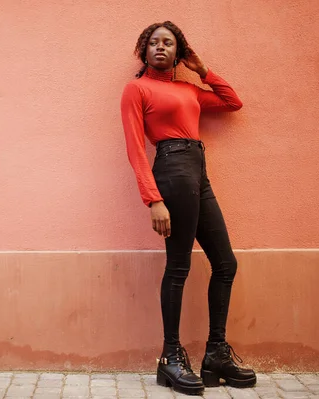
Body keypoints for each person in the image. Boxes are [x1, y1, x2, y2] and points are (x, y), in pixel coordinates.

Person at [120, 21, 257, 395]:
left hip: (199, 172)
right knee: (179, 266)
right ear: (143, 50)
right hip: (172, 172)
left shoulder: (188, 89)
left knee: (226, 263)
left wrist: (202, 70)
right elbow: (135, 149)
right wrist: (153, 200)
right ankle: (170, 358)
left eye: (168, 43)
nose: (160, 47)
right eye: (153, 42)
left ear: (178, 52)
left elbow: (232, 102)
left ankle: (215, 353)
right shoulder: (136, 88)